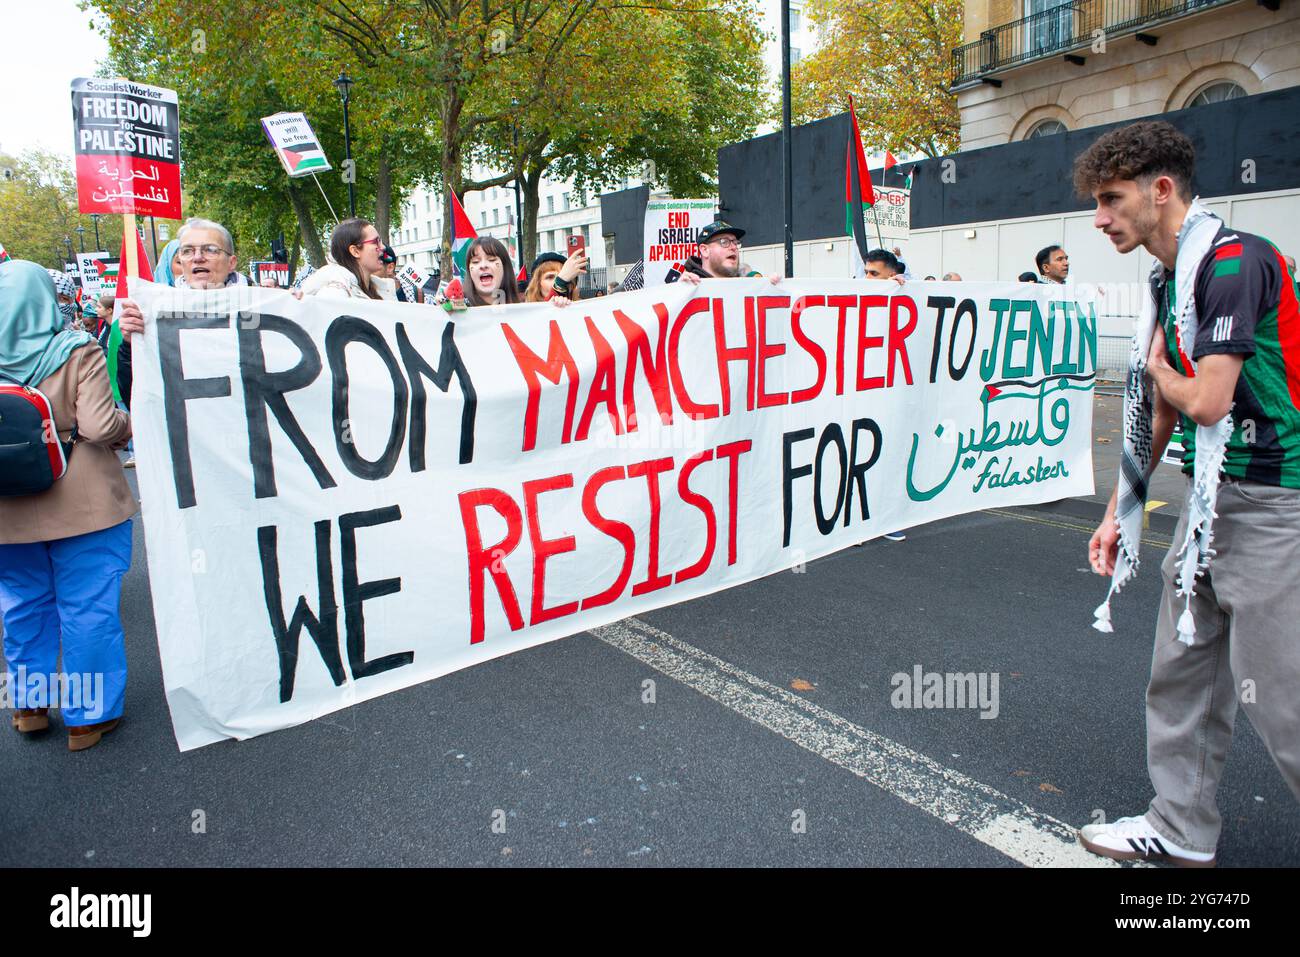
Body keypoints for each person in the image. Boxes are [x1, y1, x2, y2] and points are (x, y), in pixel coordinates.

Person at [1076, 120, 1300, 866]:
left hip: (1278, 500)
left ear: (1160, 190)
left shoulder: (1236, 262)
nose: (1099, 218)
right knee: (1183, 666)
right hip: (1215, 501)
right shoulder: (1167, 280)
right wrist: (1119, 517)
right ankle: (1179, 825)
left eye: (1110, 200)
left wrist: (1151, 367)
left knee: (1283, 699)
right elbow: (1157, 418)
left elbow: (1201, 399)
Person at [0, 261, 135, 751]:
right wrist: (130, 423)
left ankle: (30, 707)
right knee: (87, 608)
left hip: (7, 508)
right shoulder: (76, 349)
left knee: (22, 605)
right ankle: (88, 718)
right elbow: (100, 427)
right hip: (82, 500)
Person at [299, 218, 396, 301]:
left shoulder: (382, 289)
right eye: (376, 242)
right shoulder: (335, 292)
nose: (383, 247)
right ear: (355, 251)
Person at [461, 237, 521, 307]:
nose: (483, 265)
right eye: (475, 261)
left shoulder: (522, 311)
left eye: (491, 260)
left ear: (505, 267)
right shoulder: (454, 311)